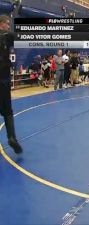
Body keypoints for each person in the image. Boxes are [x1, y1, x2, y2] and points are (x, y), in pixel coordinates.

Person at [0, 15, 22, 154]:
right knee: (8, 111)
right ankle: (12, 137)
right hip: (4, 80)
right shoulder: (7, 36)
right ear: (2, 24)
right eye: (7, 24)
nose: (9, 26)